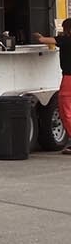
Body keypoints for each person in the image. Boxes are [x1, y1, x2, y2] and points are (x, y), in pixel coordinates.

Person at [35, 18, 71, 153]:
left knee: (65, 111)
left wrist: (39, 36)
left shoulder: (66, 40)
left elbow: (44, 41)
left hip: (69, 78)